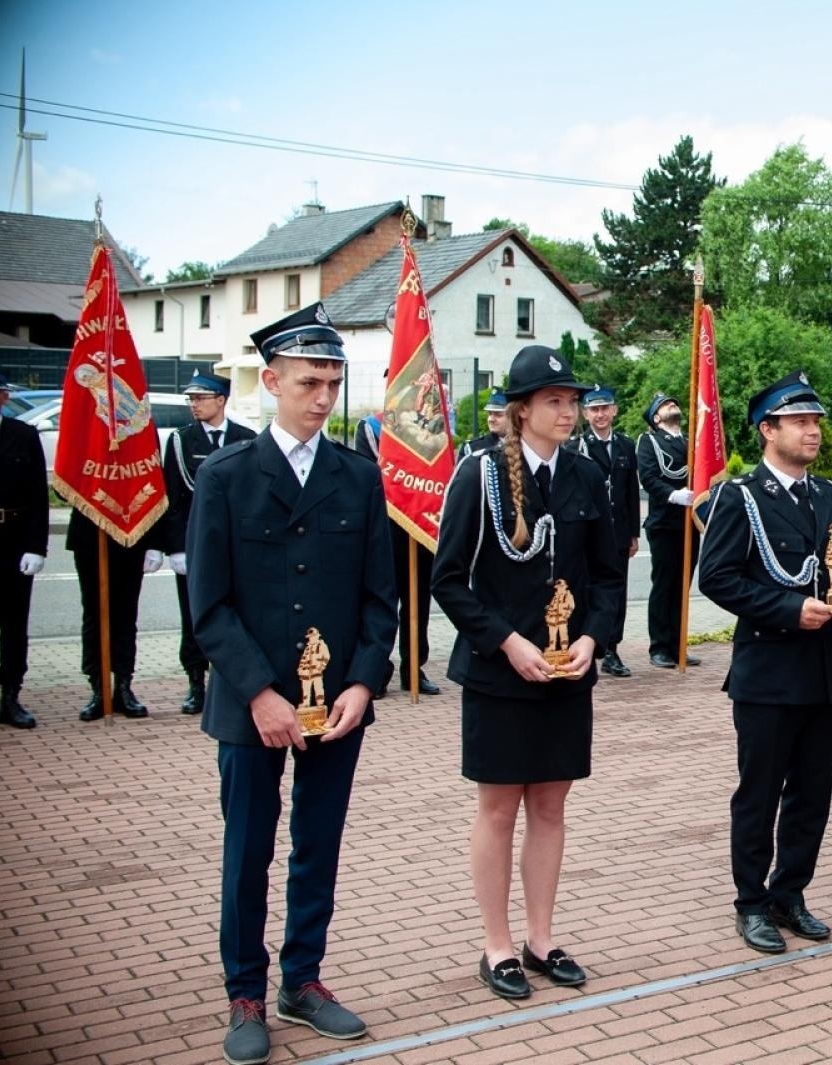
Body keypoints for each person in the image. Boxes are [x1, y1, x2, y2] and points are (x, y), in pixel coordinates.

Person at [186, 302, 399, 1065]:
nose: (322, 397)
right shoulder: (226, 476)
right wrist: (259, 692)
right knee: (248, 849)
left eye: (334, 383)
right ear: (270, 380)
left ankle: (301, 979)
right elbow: (207, 605)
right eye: (309, 381)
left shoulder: (357, 475)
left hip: (336, 705)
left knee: (318, 845)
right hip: (254, 707)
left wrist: (366, 682)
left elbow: (381, 597)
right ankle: (245, 990)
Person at [431, 344, 625, 998]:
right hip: (500, 672)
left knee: (551, 805)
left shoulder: (585, 475)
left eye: (571, 400)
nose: (568, 411)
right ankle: (497, 945)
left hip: (569, 671)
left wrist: (595, 638)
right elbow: (449, 580)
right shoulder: (480, 473)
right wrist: (508, 642)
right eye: (554, 401)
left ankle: (542, 939)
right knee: (497, 809)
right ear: (520, 411)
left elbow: (607, 575)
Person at [698, 371, 832, 953]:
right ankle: (750, 903)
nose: (813, 431)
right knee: (760, 792)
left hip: (821, 670)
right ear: (767, 430)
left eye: (817, 421)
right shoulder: (739, 495)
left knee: (812, 793)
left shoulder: (829, 496)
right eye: (799, 421)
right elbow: (718, 577)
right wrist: (787, 609)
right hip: (768, 671)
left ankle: (789, 892)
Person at [162, 371, 257, 715]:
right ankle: (195, 682)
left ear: (221, 400)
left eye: (201, 398)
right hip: (194, 543)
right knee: (195, 615)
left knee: (238, 613)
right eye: (191, 399)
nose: (194, 405)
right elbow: (171, 496)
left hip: (237, 546)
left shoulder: (246, 438)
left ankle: (233, 678)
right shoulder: (181, 440)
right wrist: (174, 547)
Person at [354, 405, 439, 697]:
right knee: (382, 602)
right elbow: (368, 476)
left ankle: (413, 668)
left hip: (419, 524)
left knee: (418, 603)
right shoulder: (371, 427)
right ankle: (378, 669)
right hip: (384, 526)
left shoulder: (433, 429)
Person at [567, 385, 640, 678]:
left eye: (604, 408)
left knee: (616, 590)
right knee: (584, 587)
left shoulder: (625, 445)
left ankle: (611, 647)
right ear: (585, 413)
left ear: (614, 410)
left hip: (618, 532)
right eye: (594, 409)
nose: (600, 414)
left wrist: (634, 532)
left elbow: (631, 492)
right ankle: (584, 639)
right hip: (589, 530)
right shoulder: (576, 447)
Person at [69, 504, 163, 720]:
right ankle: (98, 688)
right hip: (90, 534)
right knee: (95, 614)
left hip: (132, 531)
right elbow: (62, 489)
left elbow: (153, 488)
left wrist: (154, 543)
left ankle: (123, 686)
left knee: (126, 616)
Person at [637, 393, 700, 668]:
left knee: (682, 586)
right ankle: (659, 647)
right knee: (664, 586)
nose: (672, 406)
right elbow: (649, 476)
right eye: (665, 405)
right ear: (656, 417)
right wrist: (674, 495)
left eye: (673, 403)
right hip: (664, 522)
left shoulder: (691, 442)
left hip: (690, 523)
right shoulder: (649, 441)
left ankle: (678, 644)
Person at [0, 371, 47, 728]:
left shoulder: (22, 435)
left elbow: (37, 497)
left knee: (15, 624)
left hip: (14, 539)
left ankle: (11, 695)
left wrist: (36, 547)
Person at [459, 390, 509, 460]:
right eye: (489, 414)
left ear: (513, 416)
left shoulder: (525, 445)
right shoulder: (472, 447)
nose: (491, 419)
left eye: (498, 415)